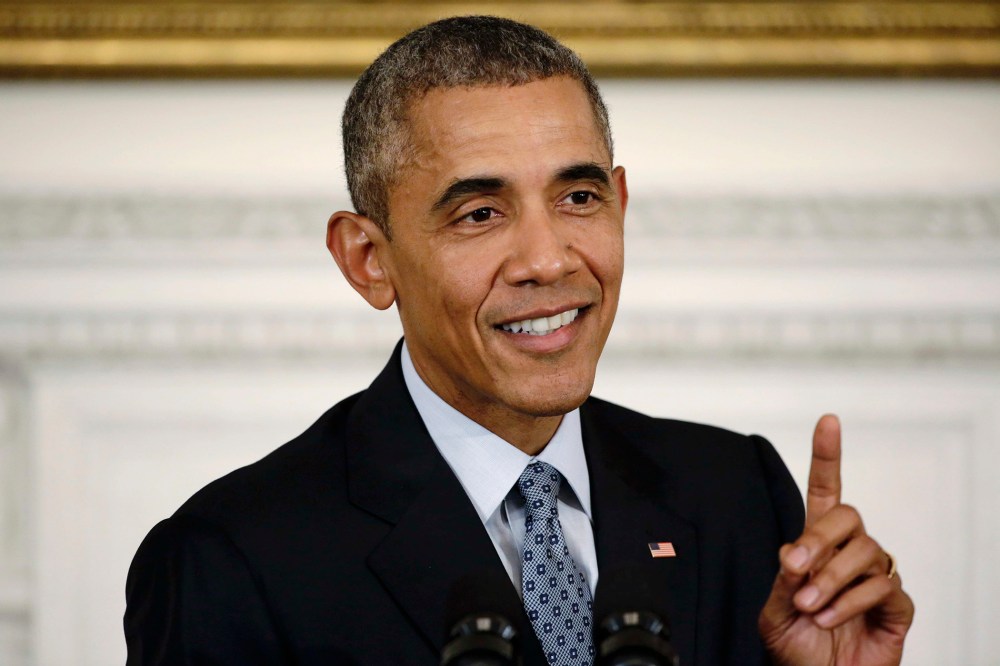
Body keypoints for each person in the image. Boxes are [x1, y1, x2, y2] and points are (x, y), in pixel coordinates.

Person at [124, 16, 914, 665]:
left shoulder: (739, 495)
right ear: (369, 260)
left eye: (578, 196)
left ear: (621, 203)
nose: (549, 260)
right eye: (479, 214)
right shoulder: (230, 559)